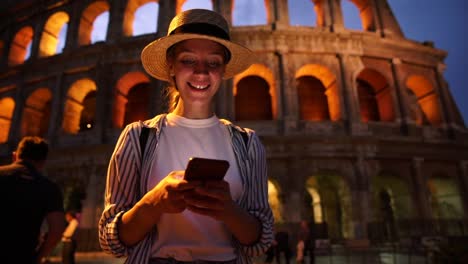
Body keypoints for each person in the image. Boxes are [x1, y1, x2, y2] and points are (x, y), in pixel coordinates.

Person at [99, 8, 274, 264]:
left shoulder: (248, 142)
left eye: (213, 63)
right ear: (171, 66)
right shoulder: (138, 136)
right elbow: (109, 240)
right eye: (188, 60)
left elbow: (260, 242)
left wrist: (228, 210)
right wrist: (154, 203)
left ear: (223, 70)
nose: (201, 72)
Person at [0, 136, 65, 264]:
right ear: (42, 162)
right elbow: (56, 229)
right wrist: (39, 256)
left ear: (15, 155)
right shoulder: (48, 187)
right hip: (22, 256)